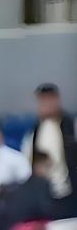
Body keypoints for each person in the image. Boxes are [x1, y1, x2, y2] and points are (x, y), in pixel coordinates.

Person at [23, 83, 77, 219]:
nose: (46, 104)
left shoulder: (72, 127)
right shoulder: (33, 134)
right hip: (46, 197)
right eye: (42, 100)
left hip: (70, 191)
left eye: (49, 99)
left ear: (57, 100)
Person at [0, 151, 53, 230]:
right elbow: (45, 210)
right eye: (47, 167)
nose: (50, 171)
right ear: (38, 166)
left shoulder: (22, 187)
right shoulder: (40, 185)